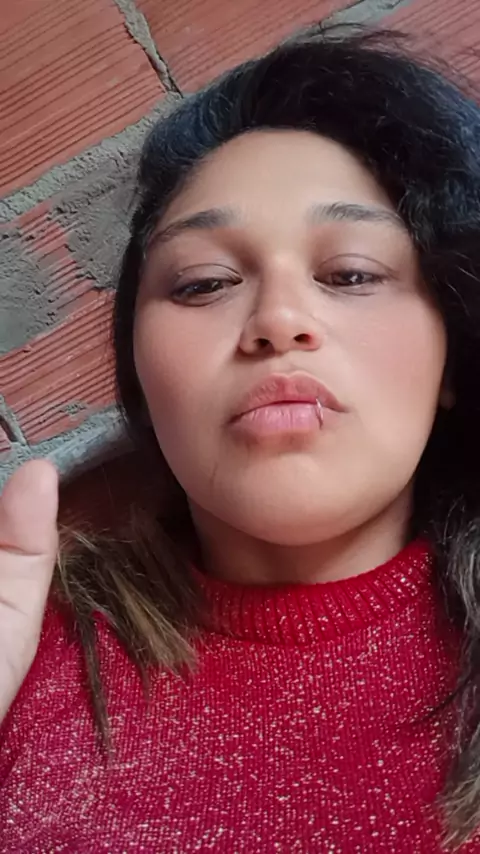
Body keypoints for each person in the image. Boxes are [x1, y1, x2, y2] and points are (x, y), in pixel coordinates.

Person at [2, 21, 480, 853]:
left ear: (453, 355)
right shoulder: (21, 661)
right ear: (140, 377)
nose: (278, 319)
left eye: (351, 273)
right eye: (204, 283)